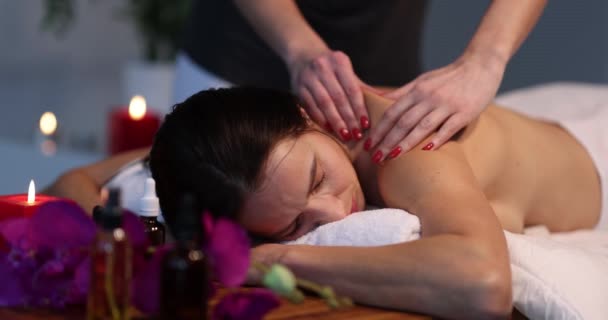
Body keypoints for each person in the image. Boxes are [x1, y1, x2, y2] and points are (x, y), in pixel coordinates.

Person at [46, 86, 606, 319]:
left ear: (311, 118)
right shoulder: (236, 155)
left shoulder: (404, 148)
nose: (337, 213)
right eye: (294, 224)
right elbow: (73, 182)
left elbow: (483, 285)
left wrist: (279, 258)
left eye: (319, 177)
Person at [176, 0, 547, 162]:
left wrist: (485, 61)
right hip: (238, 67)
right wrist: (300, 49)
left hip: (387, 74)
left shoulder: (407, 149)